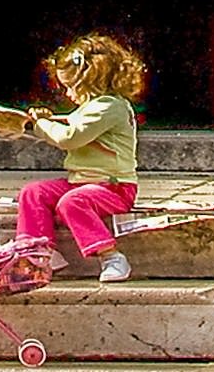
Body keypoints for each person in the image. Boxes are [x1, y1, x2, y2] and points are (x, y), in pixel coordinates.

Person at [13, 31, 145, 283]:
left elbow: (69, 137)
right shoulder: (92, 108)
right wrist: (47, 119)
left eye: (71, 87)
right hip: (82, 182)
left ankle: (111, 256)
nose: (68, 94)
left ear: (90, 83)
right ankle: (39, 253)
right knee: (34, 192)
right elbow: (71, 125)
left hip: (114, 188)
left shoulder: (110, 107)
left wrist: (39, 125)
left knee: (72, 202)